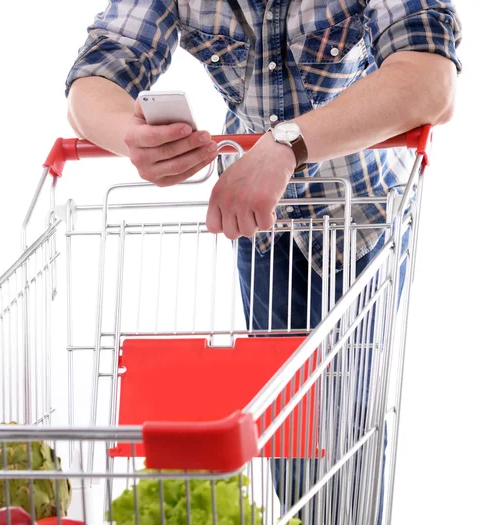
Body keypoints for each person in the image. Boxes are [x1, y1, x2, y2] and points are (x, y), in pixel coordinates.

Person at [65, 1, 462, 523]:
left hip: (359, 216)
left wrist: (288, 144)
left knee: (349, 444)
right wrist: (131, 136)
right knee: (290, 444)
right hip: (260, 226)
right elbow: (100, 70)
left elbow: (429, 83)